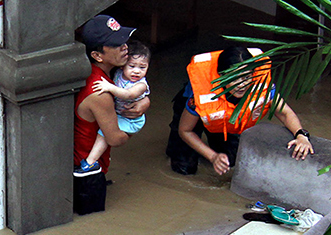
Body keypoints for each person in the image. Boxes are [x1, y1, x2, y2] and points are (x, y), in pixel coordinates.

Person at [166, 46, 314, 176]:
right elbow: (185, 131)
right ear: (222, 76)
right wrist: (212, 157)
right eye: (235, 78)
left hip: (224, 118)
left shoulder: (260, 88)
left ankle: (214, 140)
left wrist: (301, 135)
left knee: (232, 162)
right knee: (183, 168)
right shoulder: (200, 97)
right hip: (195, 114)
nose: (242, 84)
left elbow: (284, 113)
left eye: (247, 77)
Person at [73, 15, 150, 215]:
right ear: (98, 56)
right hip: (87, 170)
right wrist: (135, 124)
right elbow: (115, 138)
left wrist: (144, 101)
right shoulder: (101, 92)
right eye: (116, 44)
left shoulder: (99, 74)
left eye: (124, 40)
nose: (125, 47)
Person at [83, 40, 151, 169]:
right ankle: (91, 162)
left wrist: (109, 87)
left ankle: (90, 162)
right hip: (120, 114)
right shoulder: (118, 73)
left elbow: (129, 95)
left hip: (130, 119)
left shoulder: (140, 84)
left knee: (104, 133)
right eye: (132, 66)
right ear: (123, 65)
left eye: (142, 67)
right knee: (104, 133)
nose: (136, 71)